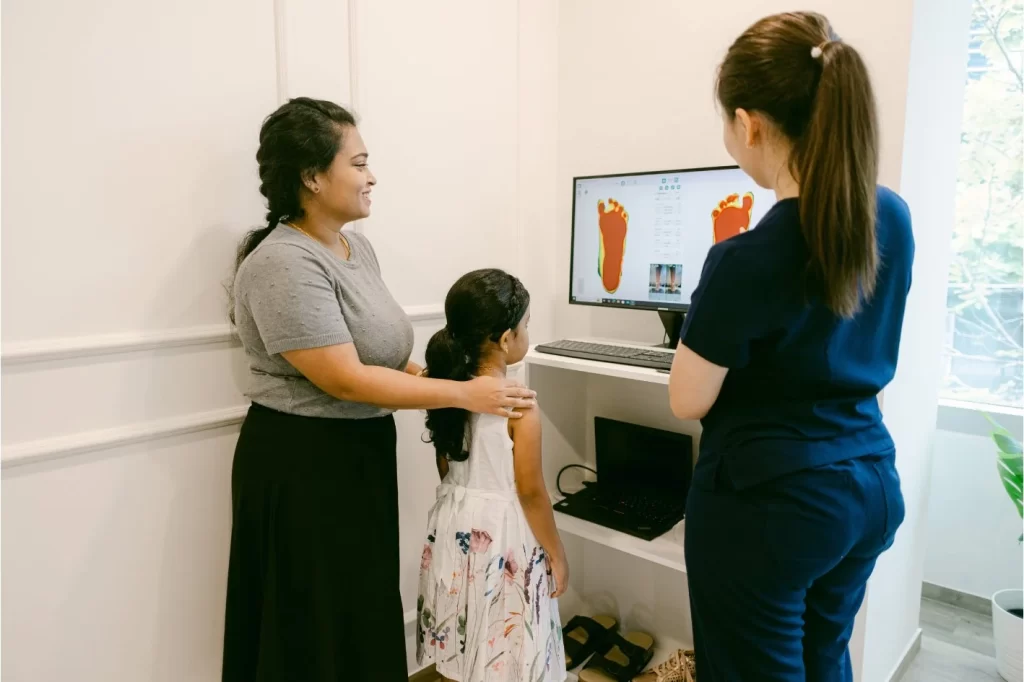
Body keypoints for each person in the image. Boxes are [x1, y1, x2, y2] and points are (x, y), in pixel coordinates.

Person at [222, 98, 537, 682]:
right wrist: (464, 396)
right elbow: (343, 377)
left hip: (356, 454)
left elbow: (379, 357)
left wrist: (448, 380)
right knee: (309, 621)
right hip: (301, 464)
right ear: (313, 178)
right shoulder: (281, 263)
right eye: (359, 163)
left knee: (358, 609)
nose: (372, 177)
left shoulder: (353, 247)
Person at [667, 12, 914, 682]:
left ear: (750, 124)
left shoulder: (744, 258)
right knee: (823, 659)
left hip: (776, 504)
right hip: (868, 485)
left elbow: (688, 399)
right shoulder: (890, 216)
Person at [415, 269, 568, 682]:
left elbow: (447, 464)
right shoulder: (519, 405)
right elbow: (532, 492)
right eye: (525, 325)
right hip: (503, 536)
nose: (526, 332)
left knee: (469, 637)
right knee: (510, 641)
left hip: (455, 527)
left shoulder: (444, 387)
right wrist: (556, 552)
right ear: (505, 339)